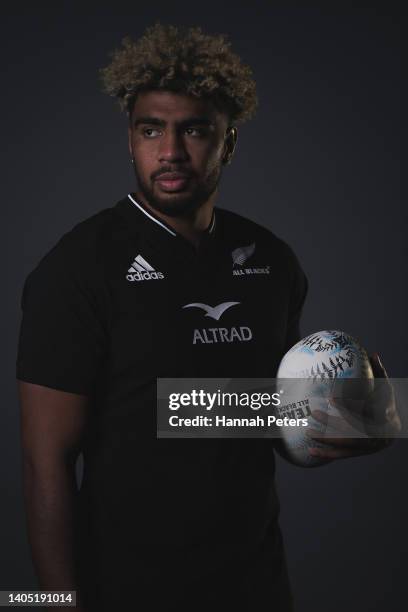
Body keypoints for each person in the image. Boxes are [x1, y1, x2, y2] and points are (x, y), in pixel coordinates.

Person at [17, 23, 400, 612]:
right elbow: (46, 464)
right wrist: (51, 607)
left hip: (255, 584)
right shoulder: (76, 268)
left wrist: (359, 418)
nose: (170, 152)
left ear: (229, 141)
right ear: (130, 139)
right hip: (127, 589)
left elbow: (275, 421)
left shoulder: (271, 260)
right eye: (151, 130)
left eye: (195, 130)